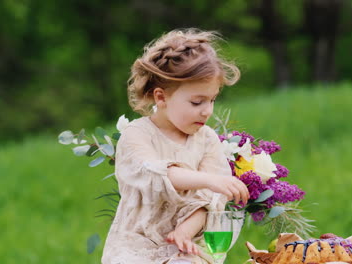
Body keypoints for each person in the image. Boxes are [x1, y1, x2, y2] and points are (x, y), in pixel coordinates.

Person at [101, 28, 250, 264]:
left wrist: (184, 233)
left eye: (212, 100)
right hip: (136, 246)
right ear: (161, 98)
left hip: (187, 244)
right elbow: (158, 175)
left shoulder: (206, 139)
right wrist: (211, 180)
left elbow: (207, 201)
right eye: (197, 101)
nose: (207, 111)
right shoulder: (137, 135)